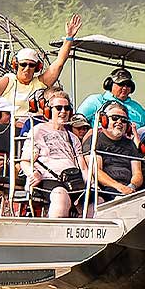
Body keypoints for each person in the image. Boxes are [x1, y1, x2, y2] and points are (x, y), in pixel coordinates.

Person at [0, 13, 82, 121]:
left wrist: (69, 37)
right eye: (23, 64)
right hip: (6, 127)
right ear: (16, 64)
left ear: (37, 67)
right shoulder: (9, 80)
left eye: (31, 65)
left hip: (32, 127)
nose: (27, 68)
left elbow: (59, 63)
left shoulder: (40, 83)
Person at [28, 90, 89, 218]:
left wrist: (91, 185)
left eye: (66, 108)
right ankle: (53, 235)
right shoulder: (38, 130)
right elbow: (25, 160)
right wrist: (33, 173)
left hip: (74, 180)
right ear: (49, 110)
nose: (63, 111)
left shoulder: (73, 137)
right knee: (60, 196)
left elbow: (83, 167)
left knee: (97, 202)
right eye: (58, 108)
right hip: (49, 179)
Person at [87, 100, 143, 200]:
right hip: (106, 190)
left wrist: (131, 186)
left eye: (123, 120)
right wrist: (119, 187)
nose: (119, 122)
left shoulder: (130, 144)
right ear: (104, 120)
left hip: (129, 190)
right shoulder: (95, 139)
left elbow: (137, 173)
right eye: (115, 118)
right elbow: (96, 171)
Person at [77, 68, 145, 129]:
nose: (125, 88)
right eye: (121, 84)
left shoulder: (139, 109)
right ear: (110, 84)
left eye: (128, 85)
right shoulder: (96, 100)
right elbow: (77, 122)